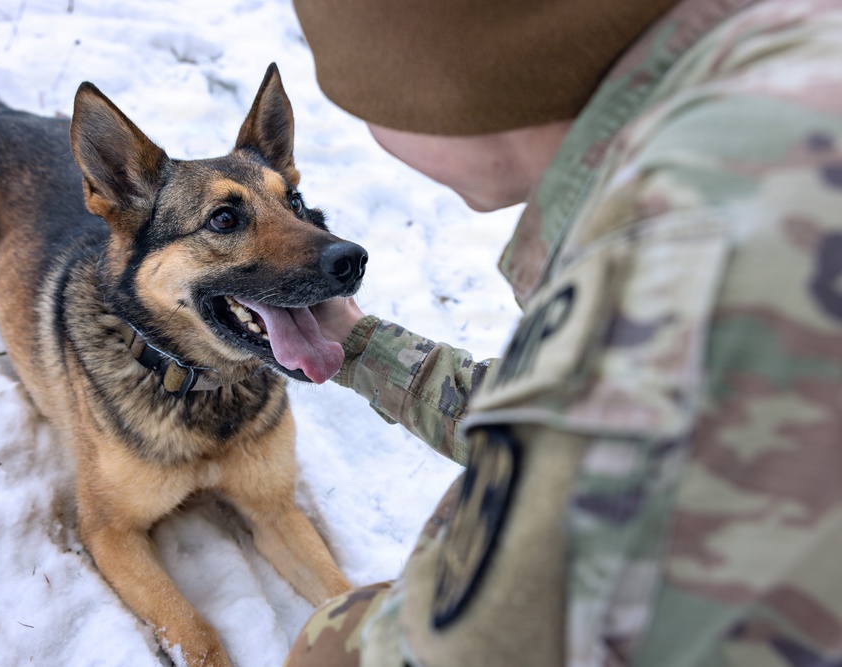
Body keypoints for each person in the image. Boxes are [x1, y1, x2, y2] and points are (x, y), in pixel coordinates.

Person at [285, 0, 842, 666]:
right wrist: (364, 347)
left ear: (440, 86)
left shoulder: (675, 257)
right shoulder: (785, 81)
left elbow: (464, 650)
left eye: (360, 98)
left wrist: (330, 640)